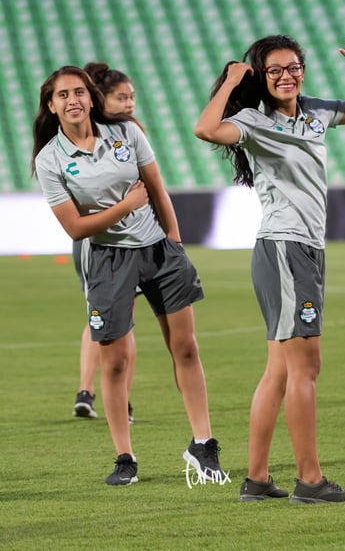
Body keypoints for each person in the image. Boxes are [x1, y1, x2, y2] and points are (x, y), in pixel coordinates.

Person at [194, 35, 345, 503]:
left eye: (294, 66)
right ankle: (310, 479)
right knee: (306, 367)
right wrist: (230, 80)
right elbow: (205, 129)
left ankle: (258, 479)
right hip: (285, 249)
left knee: (280, 372)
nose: (287, 75)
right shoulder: (253, 121)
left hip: (301, 250)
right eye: (275, 70)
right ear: (261, 77)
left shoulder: (316, 113)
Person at [32, 65, 226, 486]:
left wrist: (173, 240)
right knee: (115, 362)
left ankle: (203, 444)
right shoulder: (50, 160)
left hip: (157, 249)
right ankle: (125, 457)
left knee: (186, 347)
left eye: (79, 92)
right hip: (105, 258)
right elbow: (76, 228)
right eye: (63, 95)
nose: (73, 100)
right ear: (51, 105)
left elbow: (156, 187)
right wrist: (126, 205)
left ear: (91, 97)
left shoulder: (126, 134)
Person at [72, 63, 142, 422]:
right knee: (109, 317)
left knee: (109, 316)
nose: (129, 103)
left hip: (132, 239)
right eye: (121, 97)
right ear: (102, 99)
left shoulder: (130, 132)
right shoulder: (84, 136)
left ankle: (98, 394)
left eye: (132, 97)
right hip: (100, 240)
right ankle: (101, 394)